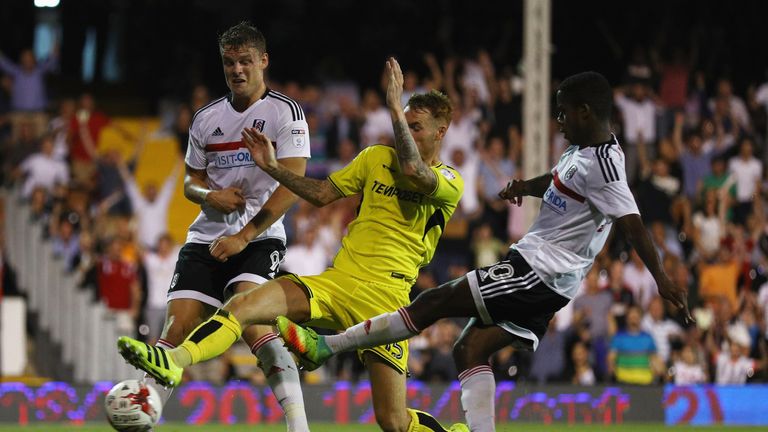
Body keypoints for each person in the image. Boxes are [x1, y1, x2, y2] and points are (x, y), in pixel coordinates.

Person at [277, 71, 692, 431]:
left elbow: (632, 223)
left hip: (540, 272)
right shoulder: (581, 151)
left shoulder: (606, 165)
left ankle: (325, 347)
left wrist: (663, 279)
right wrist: (523, 187)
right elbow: (556, 180)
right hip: (543, 274)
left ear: (585, 111)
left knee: (433, 302)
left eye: (563, 112)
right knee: (469, 349)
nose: (559, 121)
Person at [119, 57, 467, 432]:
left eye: (417, 128)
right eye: (406, 125)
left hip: (387, 301)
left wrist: (395, 108)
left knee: (394, 423)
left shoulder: (450, 181)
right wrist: (274, 168)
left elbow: (417, 171)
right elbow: (320, 193)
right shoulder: (376, 158)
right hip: (336, 284)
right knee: (244, 306)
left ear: (441, 132)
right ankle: (174, 360)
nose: (407, 135)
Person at [117, 22, 312, 432]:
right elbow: (191, 181)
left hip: (259, 237)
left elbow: (293, 184)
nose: (237, 70)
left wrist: (243, 235)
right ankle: (140, 419)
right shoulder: (206, 118)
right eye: (229, 62)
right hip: (206, 235)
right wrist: (209, 196)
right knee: (176, 328)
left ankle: (299, 427)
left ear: (263, 61)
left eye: (245, 61)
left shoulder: (285, 113)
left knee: (253, 321)